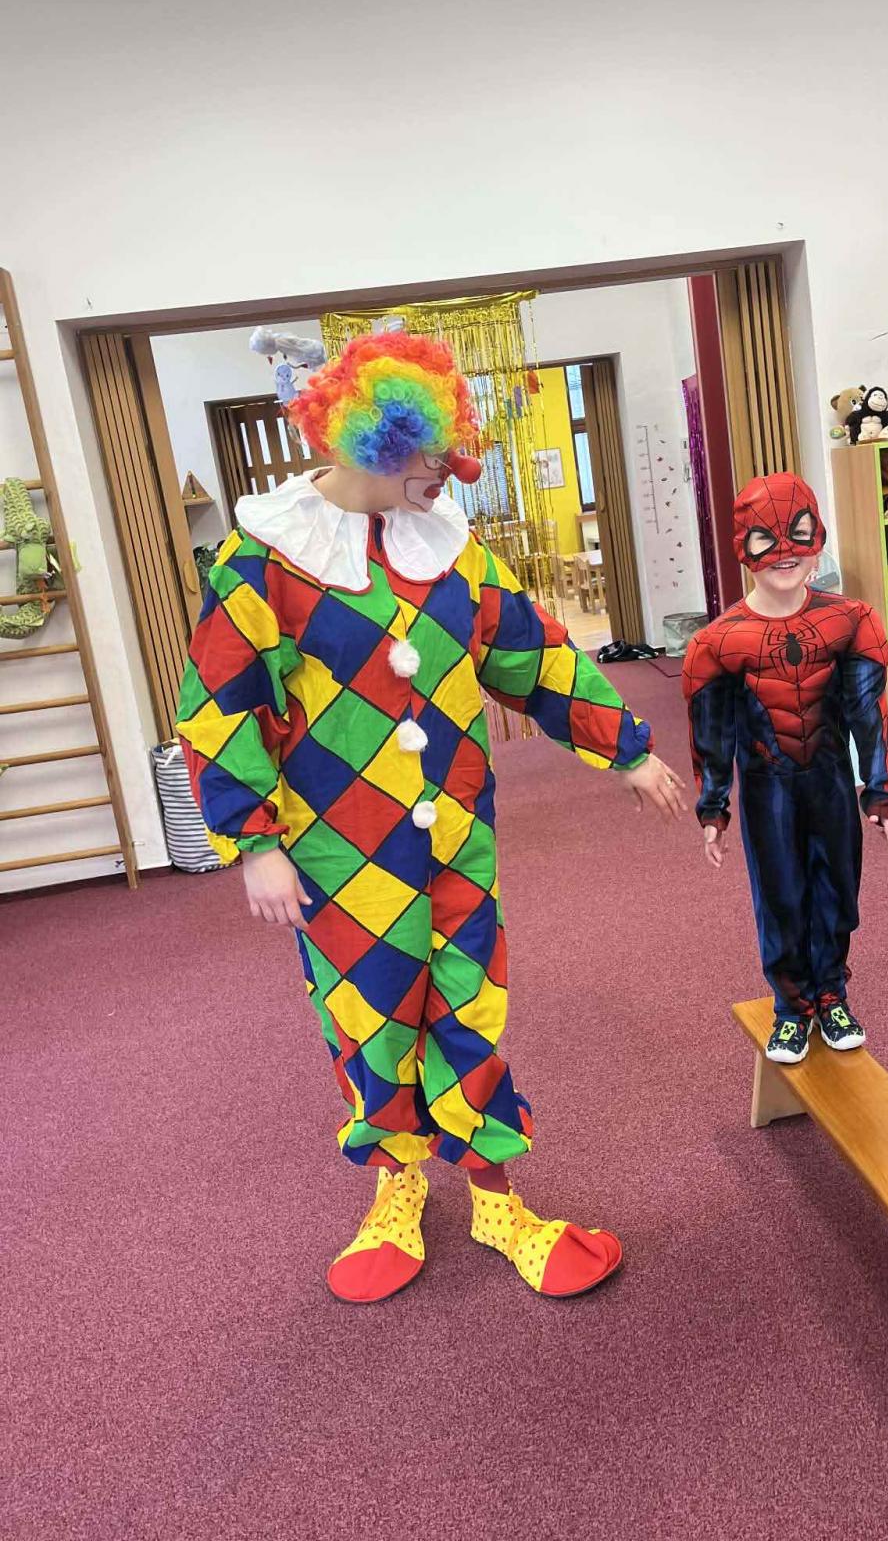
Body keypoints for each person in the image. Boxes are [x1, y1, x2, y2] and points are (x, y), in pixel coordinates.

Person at [177, 330, 683, 1304]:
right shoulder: (265, 560)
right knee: (371, 1017)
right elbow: (219, 701)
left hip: (456, 833)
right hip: (339, 849)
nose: (457, 473)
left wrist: (625, 748)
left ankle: (496, 1199)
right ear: (376, 444)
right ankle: (396, 1185)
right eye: (435, 456)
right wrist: (251, 842)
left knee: (468, 1006)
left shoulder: (449, 549)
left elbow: (534, 654)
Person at [681, 471, 888, 1065]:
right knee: (780, 895)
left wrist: (881, 793)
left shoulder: (852, 620)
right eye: (765, 540)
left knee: (839, 890)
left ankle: (832, 995)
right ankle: (792, 1008)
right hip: (767, 789)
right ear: (743, 547)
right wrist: (713, 809)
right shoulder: (716, 643)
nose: (784, 553)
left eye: (799, 535)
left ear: (818, 538)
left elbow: (868, 711)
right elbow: (712, 734)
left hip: (829, 780)